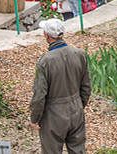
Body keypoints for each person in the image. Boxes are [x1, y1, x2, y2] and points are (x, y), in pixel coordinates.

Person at [30, 18, 91, 154]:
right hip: (76, 109)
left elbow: (40, 94)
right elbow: (86, 86)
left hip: (53, 113)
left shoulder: (45, 61)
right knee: (78, 150)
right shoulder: (79, 54)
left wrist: (35, 118)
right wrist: (79, 105)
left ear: (46, 35)